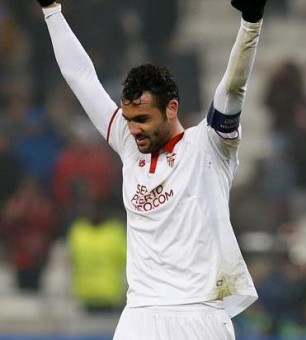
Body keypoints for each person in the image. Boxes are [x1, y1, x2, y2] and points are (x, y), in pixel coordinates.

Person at [38, 0, 267, 338]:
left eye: (143, 119)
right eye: (129, 120)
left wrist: (251, 23)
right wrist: (51, 10)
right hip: (140, 315)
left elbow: (233, 89)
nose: (134, 129)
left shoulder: (211, 145)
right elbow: (81, 77)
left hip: (198, 314)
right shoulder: (129, 145)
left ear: (171, 108)